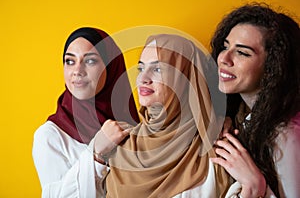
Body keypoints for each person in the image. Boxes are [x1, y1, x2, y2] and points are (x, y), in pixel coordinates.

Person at [93, 34, 229, 197]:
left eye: (157, 69)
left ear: (186, 79)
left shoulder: (217, 148)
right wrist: (95, 154)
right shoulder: (118, 144)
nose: (143, 79)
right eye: (141, 68)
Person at [32, 27, 139, 197]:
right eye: (70, 61)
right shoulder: (50, 137)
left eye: (90, 61)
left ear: (112, 67)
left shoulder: (133, 127)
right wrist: (96, 153)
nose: (77, 71)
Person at [210, 3, 300, 197]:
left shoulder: (286, 135)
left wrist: (256, 185)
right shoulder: (240, 117)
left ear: (273, 67)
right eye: (226, 46)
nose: (224, 58)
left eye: (242, 52)